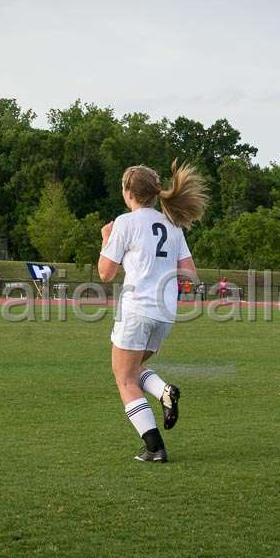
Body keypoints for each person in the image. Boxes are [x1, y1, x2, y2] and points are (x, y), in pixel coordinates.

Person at [97, 160, 208, 463]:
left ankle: (154, 447)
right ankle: (164, 392)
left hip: (136, 310)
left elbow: (105, 273)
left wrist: (106, 240)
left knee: (124, 379)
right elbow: (190, 275)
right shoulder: (172, 225)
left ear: (128, 192)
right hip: (165, 314)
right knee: (131, 370)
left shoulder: (124, 223)